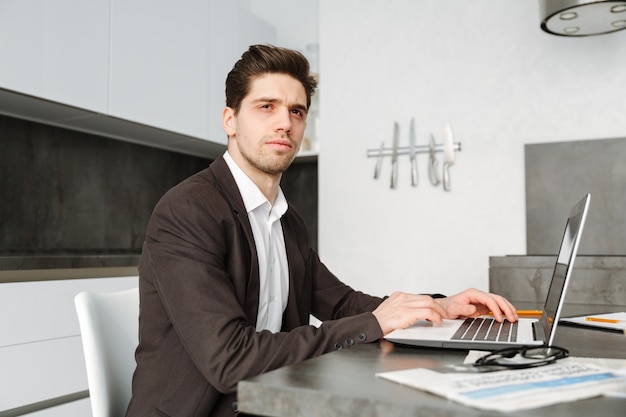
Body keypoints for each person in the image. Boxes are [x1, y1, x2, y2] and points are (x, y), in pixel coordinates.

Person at [125, 44, 518, 417]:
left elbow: (341, 302)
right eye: (267, 107)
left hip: (269, 400)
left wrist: (437, 306)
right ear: (230, 119)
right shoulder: (188, 211)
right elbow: (231, 359)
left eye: (297, 112)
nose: (285, 123)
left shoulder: (286, 218)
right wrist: (376, 324)